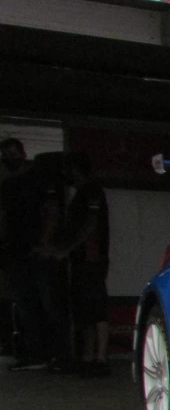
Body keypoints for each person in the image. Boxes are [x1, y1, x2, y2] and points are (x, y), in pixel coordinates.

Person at [1, 138, 56, 371]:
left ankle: (49, 354)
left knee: (44, 303)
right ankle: (34, 354)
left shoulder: (37, 179)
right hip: (15, 251)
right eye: (5, 155)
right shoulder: (7, 185)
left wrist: (44, 242)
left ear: (23, 154)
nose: (9, 159)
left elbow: (51, 210)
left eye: (13, 154)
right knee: (24, 304)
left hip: (35, 249)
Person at [57, 152, 111, 376]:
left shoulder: (92, 192)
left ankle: (100, 357)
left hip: (91, 259)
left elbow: (91, 226)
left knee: (96, 309)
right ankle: (88, 357)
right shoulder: (81, 194)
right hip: (82, 260)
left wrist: (68, 248)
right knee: (85, 310)